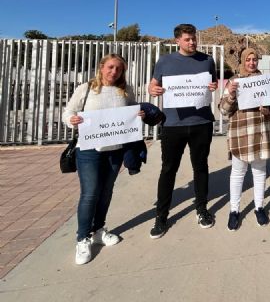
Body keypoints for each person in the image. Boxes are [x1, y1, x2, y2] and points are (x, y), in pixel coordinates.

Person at [63, 54, 144, 265]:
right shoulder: (86, 88)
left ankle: (99, 230)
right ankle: (82, 238)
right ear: (101, 68)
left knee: (106, 192)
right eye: (110, 67)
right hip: (89, 150)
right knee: (90, 194)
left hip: (115, 151)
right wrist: (72, 120)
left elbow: (133, 110)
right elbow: (68, 112)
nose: (114, 72)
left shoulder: (125, 90)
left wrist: (138, 115)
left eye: (118, 69)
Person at [148, 23, 218, 238]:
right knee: (168, 169)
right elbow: (152, 86)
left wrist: (213, 87)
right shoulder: (165, 61)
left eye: (194, 38)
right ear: (177, 40)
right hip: (172, 125)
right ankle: (161, 217)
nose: (192, 42)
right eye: (187, 39)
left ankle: (202, 210)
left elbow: (213, 83)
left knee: (201, 167)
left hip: (201, 122)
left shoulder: (207, 60)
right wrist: (153, 89)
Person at [219, 48, 270, 230]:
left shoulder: (266, 81)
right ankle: (234, 211)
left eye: (254, 59)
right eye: (248, 59)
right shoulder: (234, 82)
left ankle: (259, 207)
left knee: (259, 172)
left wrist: (268, 110)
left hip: (260, 133)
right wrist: (231, 95)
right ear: (243, 61)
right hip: (240, 135)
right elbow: (223, 110)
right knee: (238, 174)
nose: (252, 63)